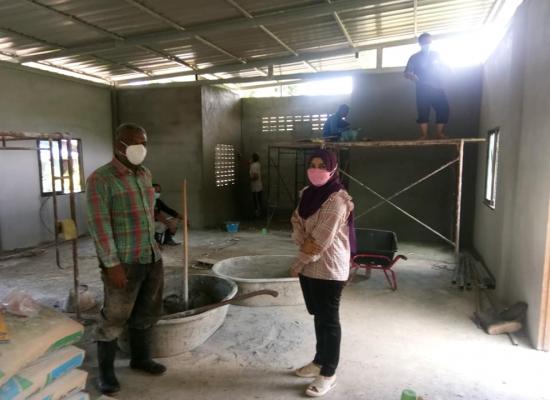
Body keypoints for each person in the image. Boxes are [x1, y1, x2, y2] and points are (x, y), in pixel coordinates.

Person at [86, 123, 166, 394]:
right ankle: (106, 373)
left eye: (143, 142)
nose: (139, 148)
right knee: (115, 316)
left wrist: (157, 235)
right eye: (133, 142)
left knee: (147, 311)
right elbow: (99, 226)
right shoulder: (101, 179)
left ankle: (140, 359)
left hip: (150, 256)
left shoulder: (144, 174)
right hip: (124, 262)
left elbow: (147, 213)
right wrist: (112, 265)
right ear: (118, 145)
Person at [290, 149, 356, 397]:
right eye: (313, 164)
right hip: (311, 266)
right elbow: (296, 220)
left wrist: (298, 262)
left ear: (333, 169)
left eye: (322, 165)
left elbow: (320, 240)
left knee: (329, 320)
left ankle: (329, 373)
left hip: (329, 268)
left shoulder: (337, 200)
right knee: (318, 316)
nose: (316, 170)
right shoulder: (307, 194)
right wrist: (302, 243)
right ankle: (319, 361)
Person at [404, 32, 450, 140]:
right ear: (420, 43)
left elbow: (445, 66)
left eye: (428, 41)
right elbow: (406, 73)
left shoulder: (436, 55)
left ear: (431, 42)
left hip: (437, 87)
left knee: (444, 109)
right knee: (423, 111)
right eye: (424, 42)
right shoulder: (414, 57)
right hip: (422, 88)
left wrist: (447, 70)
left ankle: (439, 134)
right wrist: (411, 76)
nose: (427, 44)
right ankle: (424, 135)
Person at [249, 153, 263, 218]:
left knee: (256, 201)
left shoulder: (253, 166)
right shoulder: (258, 164)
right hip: (259, 186)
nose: (250, 159)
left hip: (255, 187)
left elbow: (256, 176)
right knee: (259, 200)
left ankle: (257, 214)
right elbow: (249, 163)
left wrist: (248, 179)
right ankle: (259, 213)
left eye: (251, 158)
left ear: (253, 158)